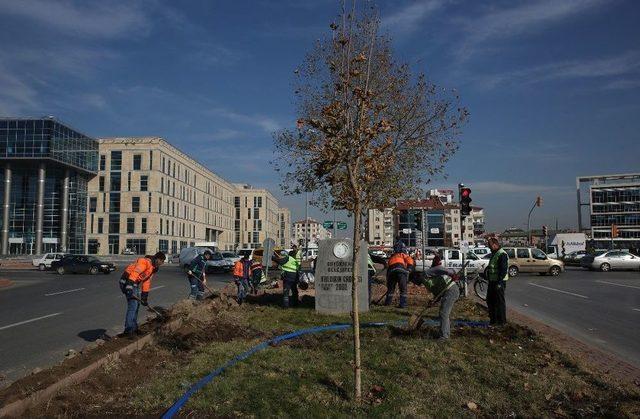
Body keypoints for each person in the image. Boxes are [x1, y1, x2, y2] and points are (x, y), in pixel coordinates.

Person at [410, 254, 460, 339]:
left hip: (451, 290)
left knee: (444, 313)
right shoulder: (426, 283)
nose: (415, 283)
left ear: (416, 277)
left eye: (413, 281)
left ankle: (444, 336)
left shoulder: (425, 274)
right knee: (443, 313)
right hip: (447, 291)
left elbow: (439, 268)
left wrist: (451, 274)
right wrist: (433, 301)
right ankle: (444, 333)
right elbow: (438, 293)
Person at [119, 252, 166, 337]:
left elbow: (146, 281)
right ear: (157, 259)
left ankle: (134, 328)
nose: (162, 263)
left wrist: (144, 297)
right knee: (133, 306)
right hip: (127, 282)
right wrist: (129, 286)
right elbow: (135, 273)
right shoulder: (145, 262)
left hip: (134, 283)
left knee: (137, 306)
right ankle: (128, 330)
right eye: (161, 261)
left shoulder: (153, 268)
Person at [486, 237, 509, 325]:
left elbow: (503, 270)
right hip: (492, 281)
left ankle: (502, 322)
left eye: (490, 245)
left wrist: (499, 283)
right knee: (490, 301)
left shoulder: (501, 254)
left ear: (495, 245)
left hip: (499, 282)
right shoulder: (494, 253)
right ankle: (493, 321)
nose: (489, 247)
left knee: (499, 302)